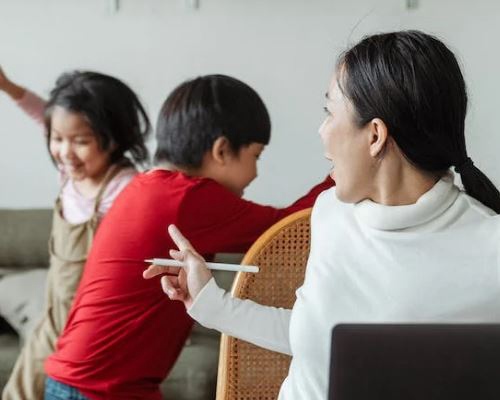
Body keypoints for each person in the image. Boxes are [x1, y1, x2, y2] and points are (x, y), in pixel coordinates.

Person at [144, 30, 500, 400]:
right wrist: (209, 302)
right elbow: (316, 336)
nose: (321, 131)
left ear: (375, 135)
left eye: (329, 112)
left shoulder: (490, 248)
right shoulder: (331, 214)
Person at [43, 74, 333, 400]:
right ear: (222, 150)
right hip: (98, 388)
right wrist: (345, 169)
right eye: (256, 156)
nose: (255, 173)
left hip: (88, 380)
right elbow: (287, 229)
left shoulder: (150, 187)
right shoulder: (186, 198)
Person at [0, 68, 151, 400]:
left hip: (87, 330)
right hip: (52, 316)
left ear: (114, 137)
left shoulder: (123, 187)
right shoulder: (70, 173)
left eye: (81, 141)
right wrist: (9, 87)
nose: (65, 152)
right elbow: (46, 115)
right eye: (57, 139)